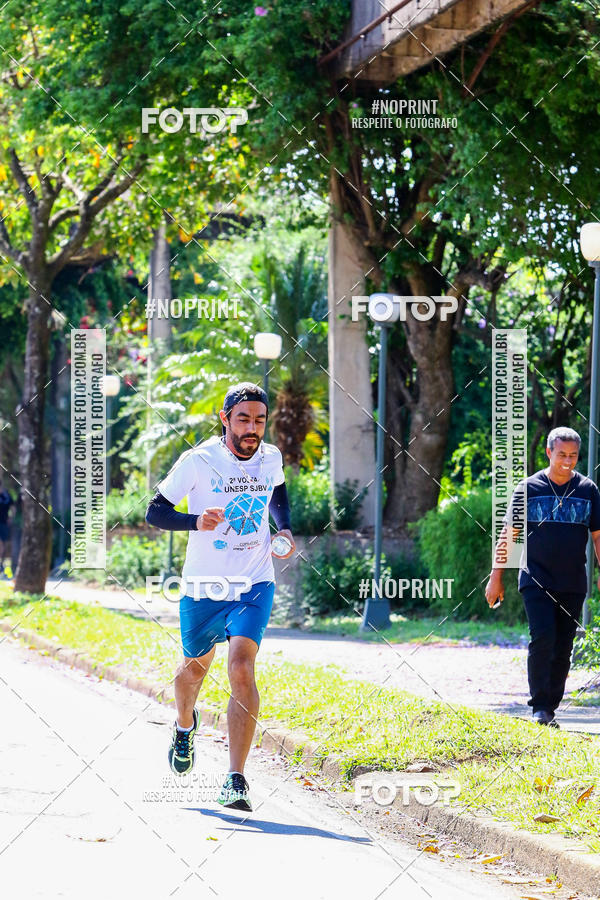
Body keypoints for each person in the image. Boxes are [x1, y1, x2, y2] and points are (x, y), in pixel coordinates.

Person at [146, 382, 295, 811]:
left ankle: (235, 779)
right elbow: (155, 511)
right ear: (225, 418)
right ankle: (184, 724)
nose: (253, 428)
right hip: (204, 585)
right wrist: (195, 521)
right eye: (244, 419)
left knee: (242, 668)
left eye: (260, 420)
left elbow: (277, 493)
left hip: (254, 582)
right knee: (194, 669)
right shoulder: (198, 460)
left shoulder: (271, 457)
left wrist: (283, 529)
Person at [485, 427, 600, 727]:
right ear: (549, 452)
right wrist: (496, 576)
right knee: (543, 636)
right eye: (562, 455)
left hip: (573, 582)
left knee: (564, 645)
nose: (567, 461)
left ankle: (550, 707)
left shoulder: (588, 490)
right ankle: (539, 706)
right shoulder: (528, 488)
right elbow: (509, 535)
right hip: (535, 579)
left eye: (573, 456)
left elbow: (598, 537)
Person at [0, 484, 13, 577]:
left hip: (3, 523)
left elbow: (13, 507)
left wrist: (11, 517)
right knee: (1, 544)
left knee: (3, 545)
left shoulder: (7, 496)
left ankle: (1, 564)